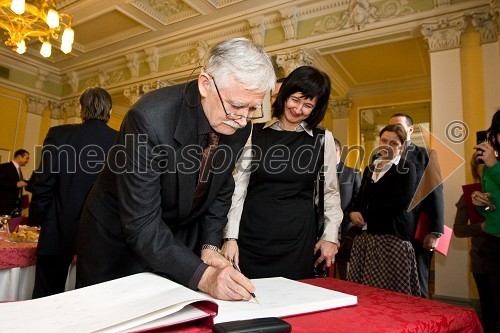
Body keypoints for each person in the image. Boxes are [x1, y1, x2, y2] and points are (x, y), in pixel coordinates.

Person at [76, 37, 275, 301]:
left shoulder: (239, 125)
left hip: (176, 237)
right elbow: (141, 223)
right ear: (206, 84)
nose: (242, 120)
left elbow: (221, 186)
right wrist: (205, 277)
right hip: (118, 238)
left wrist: (209, 245)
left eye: (253, 108)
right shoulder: (148, 119)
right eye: (237, 106)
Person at [221, 65, 343, 280]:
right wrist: (230, 237)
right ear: (284, 95)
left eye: (307, 105)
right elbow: (237, 189)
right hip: (251, 238)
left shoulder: (323, 139)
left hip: (298, 241)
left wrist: (330, 237)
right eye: (295, 100)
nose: (298, 109)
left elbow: (329, 192)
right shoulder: (253, 133)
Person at [30, 87, 118, 298]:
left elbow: (44, 184)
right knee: (90, 299)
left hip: (58, 228)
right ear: (110, 110)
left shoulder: (59, 135)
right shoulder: (120, 140)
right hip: (102, 233)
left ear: (81, 109)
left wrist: (36, 220)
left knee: (45, 297)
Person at [348, 124, 419, 295]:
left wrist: (364, 214)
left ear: (402, 147)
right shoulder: (370, 168)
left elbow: (398, 205)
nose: (387, 145)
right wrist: (353, 212)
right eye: (384, 140)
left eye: (393, 143)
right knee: (365, 293)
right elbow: (360, 198)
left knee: (391, 295)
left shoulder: (407, 168)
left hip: (392, 239)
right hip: (366, 239)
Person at [389, 113, 444, 298]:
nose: (393, 131)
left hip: (418, 232)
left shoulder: (426, 155)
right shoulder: (382, 157)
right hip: (390, 232)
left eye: (397, 126)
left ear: (410, 129)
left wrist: (436, 232)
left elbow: (435, 191)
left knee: (418, 285)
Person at [453, 154, 496, 333]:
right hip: (481, 261)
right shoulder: (469, 195)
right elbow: (458, 229)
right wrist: (482, 227)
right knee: (489, 310)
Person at [472, 109, 500, 332]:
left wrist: (495, 166)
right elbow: (493, 208)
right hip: (493, 242)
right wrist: (481, 203)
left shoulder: (493, 167)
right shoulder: (489, 169)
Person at [333, 137, 361, 280]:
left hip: (347, 228)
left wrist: (347, 215)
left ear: (337, 150)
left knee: (346, 270)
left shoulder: (353, 173)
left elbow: (358, 200)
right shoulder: (318, 173)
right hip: (323, 229)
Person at [0, 149, 29, 216]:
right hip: (5, 205)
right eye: (26, 158)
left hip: (16, 205)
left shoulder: (18, 169)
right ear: (19, 156)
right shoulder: (4, 167)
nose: (27, 161)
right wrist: (15, 184)